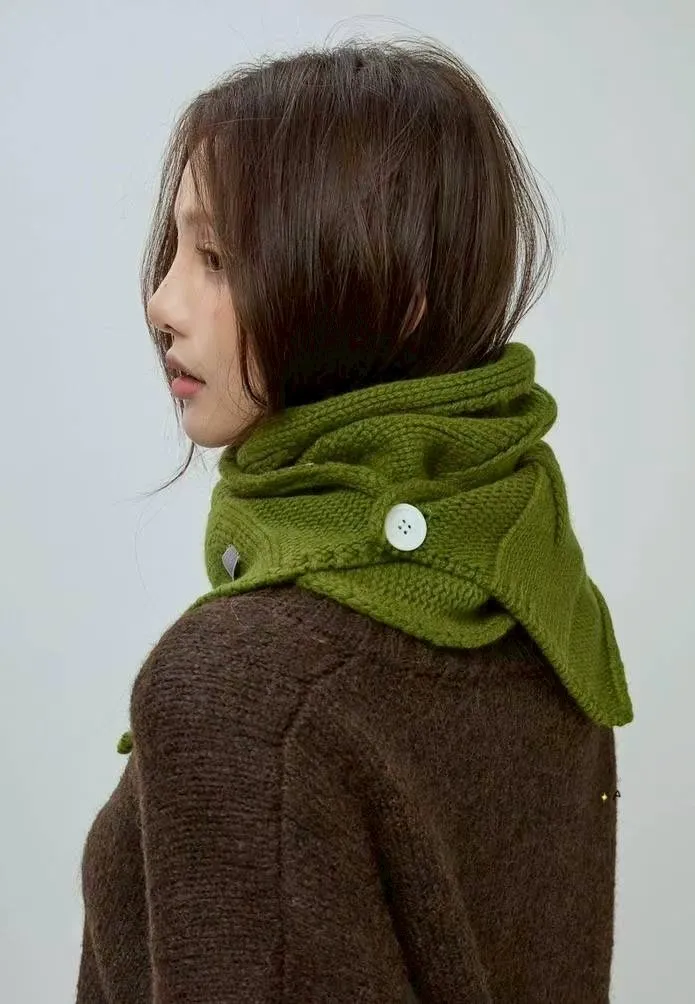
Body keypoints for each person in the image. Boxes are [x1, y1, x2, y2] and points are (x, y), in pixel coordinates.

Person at [75, 38, 633, 1003]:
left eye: (217, 258)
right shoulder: (547, 615)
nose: (162, 302)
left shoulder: (244, 688)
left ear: (390, 290)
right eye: (173, 251)